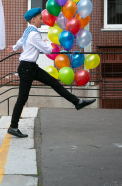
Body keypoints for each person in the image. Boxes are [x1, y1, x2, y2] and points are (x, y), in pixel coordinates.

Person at [6, 8, 96, 138]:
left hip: (30, 67)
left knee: (53, 82)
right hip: (27, 68)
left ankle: (77, 102)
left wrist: (14, 47)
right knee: (22, 98)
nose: (42, 20)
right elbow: (47, 50)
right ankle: (13, 127)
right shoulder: (34, 34)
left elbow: (21, 41)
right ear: (33, 20)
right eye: (39, 18)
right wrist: (47, 43)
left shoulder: (29, 31)